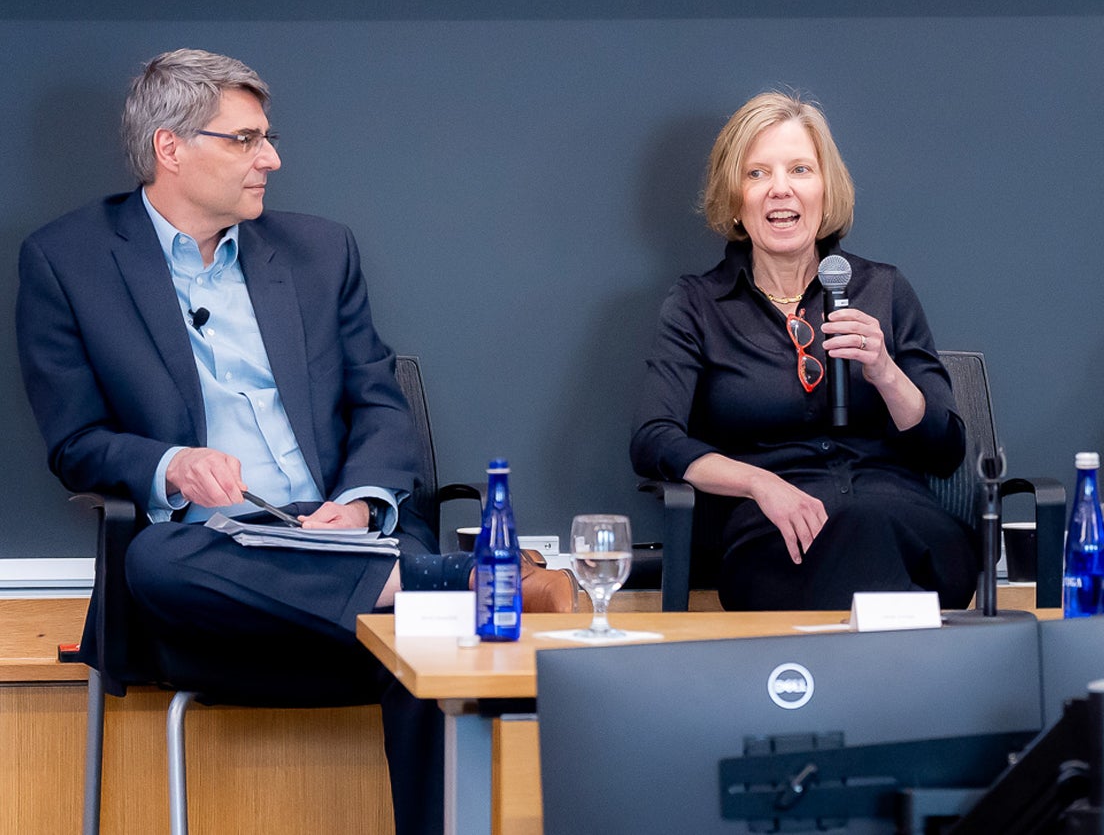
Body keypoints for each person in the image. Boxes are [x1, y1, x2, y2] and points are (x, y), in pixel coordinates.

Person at [14, 49, 573, 835]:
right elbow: (74, 441)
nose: (270, 158)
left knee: (427, 655)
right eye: (245, 140)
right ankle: (438, 582)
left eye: (266, 137)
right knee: (154, 560)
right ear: (171, 148)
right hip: (220, 580)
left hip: (345, 549)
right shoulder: (67, 261)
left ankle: (412, 588)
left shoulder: (318, 252)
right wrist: (171, 464)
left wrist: (358, 501)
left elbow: (380, 402)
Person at [631, 91, 978, 611]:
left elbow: (945, 448)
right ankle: (904, 672)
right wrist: (759, 484)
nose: (780, 190)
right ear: (735, 198)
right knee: (855, 557)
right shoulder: (698, 305)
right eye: (757, 174)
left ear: (825, 189)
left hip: (904, 522)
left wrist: (885, 371)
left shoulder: (883, 289)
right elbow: (654, 439)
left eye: (799, 169)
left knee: (874, 528)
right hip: (774, 534)